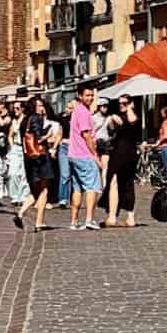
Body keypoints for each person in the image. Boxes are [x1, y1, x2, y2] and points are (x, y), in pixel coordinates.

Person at [14, 98, 56, 232]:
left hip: (29, 159)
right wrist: (48, 134)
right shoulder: (36, 118)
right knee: (44, 189)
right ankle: (39, 222)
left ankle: (21, 213)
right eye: (39, 105)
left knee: (36, 190)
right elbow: (39, 138)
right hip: (40, 158)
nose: (42, 108)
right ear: (34, 107)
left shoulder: (24, 120)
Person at [100, 94, 142, 227]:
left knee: (120, 182)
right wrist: (112, 119)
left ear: (131, 103)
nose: (122, 105)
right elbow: (112, 129)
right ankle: (120, 216)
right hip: (118, 152)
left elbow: (132, 121)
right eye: (120, 103)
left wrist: (129, 108)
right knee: (117, 182)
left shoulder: (134, 116)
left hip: (126, 153)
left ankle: (117, 217)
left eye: (125, 103)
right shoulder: (117, 117)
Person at [68, 85, 102, 231]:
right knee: (92, 187)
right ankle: (89, 219)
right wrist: (95, 155)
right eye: (87, 95)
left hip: (73, 154)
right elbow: (86, 135)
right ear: (80, 96)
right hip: (84, 154)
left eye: (91, 95)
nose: (90, 98)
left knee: (77, 188)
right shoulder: (82, 112)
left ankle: (74, 221)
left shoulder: (77, 110)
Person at [6, 99, 30, 207]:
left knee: (24, 174)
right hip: (16, 148)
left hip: (26, 148)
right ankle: (15, 196)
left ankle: (23, 196)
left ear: (22, 109)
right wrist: (12, 146)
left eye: (17, 108)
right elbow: (10, 135)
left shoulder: (27, 120)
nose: (15, 110)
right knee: (13, 173)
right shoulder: (14, 122)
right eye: (14, 108)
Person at [55, 100, 76, 207]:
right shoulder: (63, 119)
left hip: (76, 149)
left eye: (71, 108)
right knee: (65, 174)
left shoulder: (80, 120)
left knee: (75, 175)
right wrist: (55, 147)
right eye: (67, 108)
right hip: (64, 148)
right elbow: (60, 133)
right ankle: (63, 199)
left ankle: (74, 197)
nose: (68, 110)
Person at [92, 98, 113, 186]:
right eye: (103, 106)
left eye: (106, 106)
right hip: (95, 142)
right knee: (96, 165)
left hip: (105, 142)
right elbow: (91, 131)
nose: (105, 108)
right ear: (99, 107)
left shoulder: (109, 117)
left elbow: (112, 130)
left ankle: (104, 186)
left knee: (105, 166)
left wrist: (111, 124)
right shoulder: (93, 117)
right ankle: (97, 185)